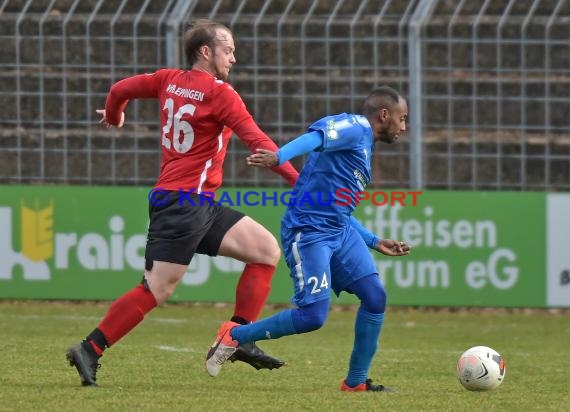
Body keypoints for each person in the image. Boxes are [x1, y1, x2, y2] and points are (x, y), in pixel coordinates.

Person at [66, 19, 299, 387]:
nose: (234, 58)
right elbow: (260, 142)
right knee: (157, 290)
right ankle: (89, 349)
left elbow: (119, 89)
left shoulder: (167, 79)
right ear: (205, 52)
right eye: (228, 50)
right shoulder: (220, 93)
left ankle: (238, 338)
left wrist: (115, 115)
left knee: (265, 250)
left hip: (196, 202)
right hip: (183, 203)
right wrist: (299, 183)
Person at [205, 86, 411, 392]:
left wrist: (373, 240)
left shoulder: (365, 144)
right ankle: (236, 336)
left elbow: (337, 207)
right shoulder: (355, 127)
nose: (403, 127)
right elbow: (318, 134)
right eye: (402, 118)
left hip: (339, 231)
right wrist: (279, 156)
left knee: (375, 296)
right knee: (313, 316)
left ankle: (355, 382)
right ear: (384, 115)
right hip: (309, 232)